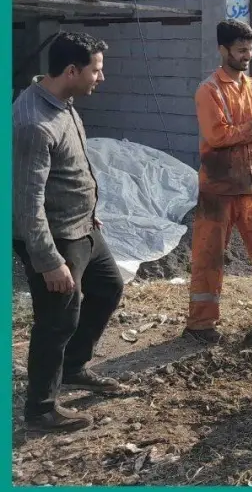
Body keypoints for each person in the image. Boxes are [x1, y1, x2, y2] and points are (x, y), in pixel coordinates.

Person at [12, 31, 125, 433]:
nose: (101, 77)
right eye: (96, 70)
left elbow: (67, 172)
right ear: (72, 70)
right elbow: (25, 203)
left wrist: (89, 211)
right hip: (56, 236)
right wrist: (48, 261)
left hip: (82, 226)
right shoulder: (33, 123)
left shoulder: (63, 103)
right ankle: (40, 410)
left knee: (108, 288)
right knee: (57, 319)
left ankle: (73, 367)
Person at [185, 19, 252, 343]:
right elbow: (218, 135)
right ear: (222, 49)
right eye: (241, 50)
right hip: (218, 189)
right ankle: (201, 325)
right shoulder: (208, 91)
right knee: (209, 257)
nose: (247, 56)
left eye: (250, 49)